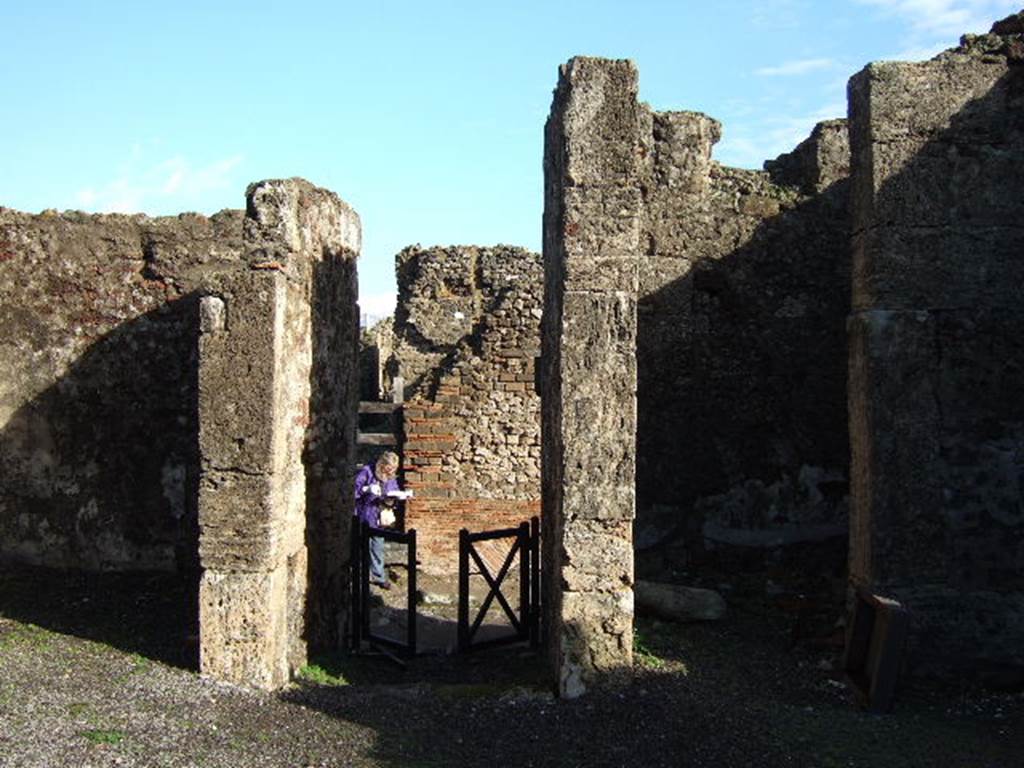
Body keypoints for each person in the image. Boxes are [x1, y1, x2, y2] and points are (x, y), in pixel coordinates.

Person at [354, 451, 401, 589]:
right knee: (362, 545)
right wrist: (366, 489)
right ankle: (361, 574)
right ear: (382, 464)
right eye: (389, 468)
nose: (390, 471)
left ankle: (378, 576)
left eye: (393, 469)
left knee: (377, 546)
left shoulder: (391, 477)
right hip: (365, 513)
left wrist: (393, 498)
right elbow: (353, 491)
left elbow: (393, 490)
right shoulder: (367, 471)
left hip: (379, 516)